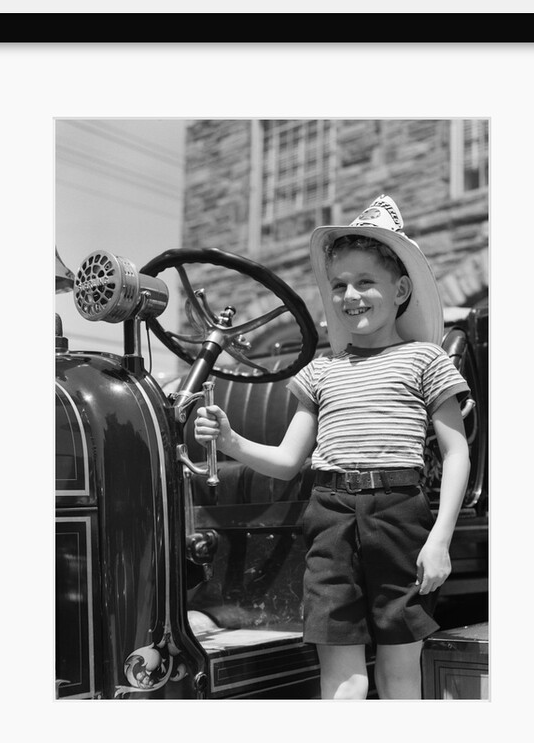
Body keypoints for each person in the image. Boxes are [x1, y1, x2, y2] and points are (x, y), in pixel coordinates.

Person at [193, 195, 471, 700]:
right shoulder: (320, 372)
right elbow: (286, 462)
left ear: (400, 288)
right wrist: (231, 441)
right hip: (329, 517)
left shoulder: (424, 359)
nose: (351, 295)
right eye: (340, 285)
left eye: (366, 282)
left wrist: (439, 540)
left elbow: (456, 454)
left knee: (400, 672)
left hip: (401, 516)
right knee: (342, 676)